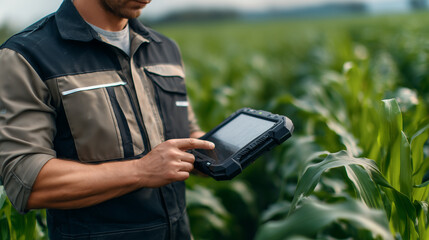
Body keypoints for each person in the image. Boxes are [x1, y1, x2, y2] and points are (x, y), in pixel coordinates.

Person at [0, 0, 215, 239]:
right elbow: (26, 181)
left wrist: (210, 150)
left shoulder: (165, 48)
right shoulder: (26, 56)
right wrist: (140, 170)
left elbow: (188, 132)